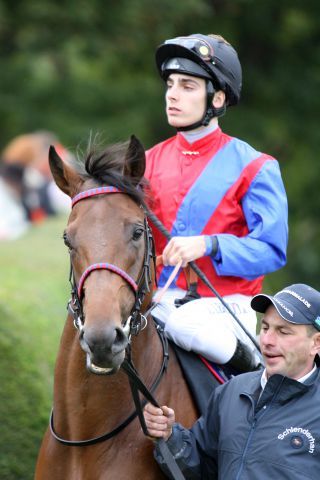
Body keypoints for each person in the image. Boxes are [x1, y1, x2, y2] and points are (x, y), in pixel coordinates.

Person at [144, 33, 288, 372]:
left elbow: (271, 251)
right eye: (170, 84)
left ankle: (254, 371)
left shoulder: (256, 166)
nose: (173, 95)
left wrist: (209, 245)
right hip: (158, 300)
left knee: (184, 324)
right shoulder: (147, 162)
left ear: (218, 98)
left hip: (223, 307)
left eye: (187, 86)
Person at [144, 283, 320, 479]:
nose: (268, 340)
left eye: (283, 332)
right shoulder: (231, 391)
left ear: (316, 343)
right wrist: (169, 437)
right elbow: (201, 468)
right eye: (265, 327)